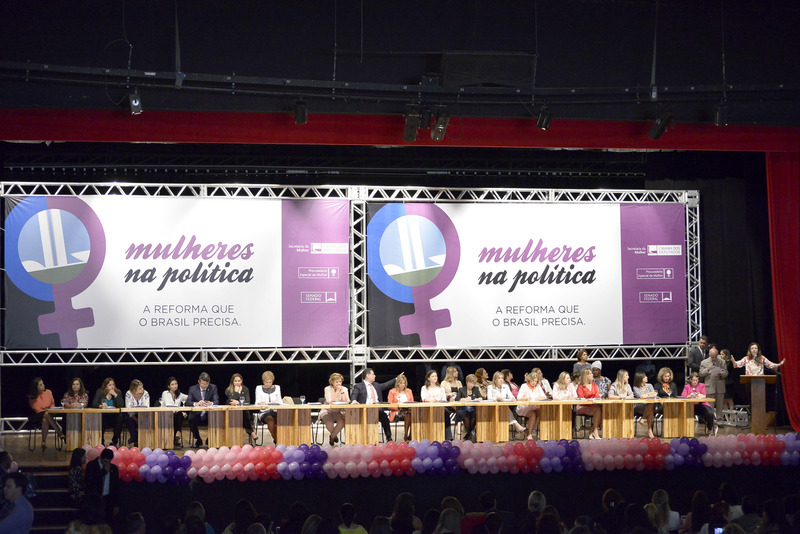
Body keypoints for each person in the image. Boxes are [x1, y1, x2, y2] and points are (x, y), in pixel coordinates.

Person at [351, 368, 403, 443]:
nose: (375, 376)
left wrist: (396, 379)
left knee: (384, 417)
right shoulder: (358, 386)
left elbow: (386, 385)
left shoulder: (376, 385)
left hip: (377, 410)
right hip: (365, 410)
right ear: (367, 376)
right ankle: (367, 439)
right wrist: (354, 401)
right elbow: (354, 395)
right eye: (373, 374)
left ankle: (389, 438)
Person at [27, 377, 64, 450]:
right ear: (36, 387)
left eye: (43, 383)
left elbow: (52, 404)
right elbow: (37, 409)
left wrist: (49, 409)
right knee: (46, 415)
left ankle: (43, 441)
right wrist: (46, 409)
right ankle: (59, 432)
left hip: (48, 413)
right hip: (36, 416)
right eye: (40, 385)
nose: (43, 385)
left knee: (45, 419)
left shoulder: (48, 392)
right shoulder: (32, 396)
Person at [85, 448, 120, 523]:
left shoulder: (114, 468)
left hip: (108, 499)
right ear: (101, 458)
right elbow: (90, 482)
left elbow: (116, 487)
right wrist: (103, 472)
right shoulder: (92, 465)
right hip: (95, 499)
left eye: (109, 461)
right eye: (105, 461)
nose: (107, 463)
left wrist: (116, 505)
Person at [187, 372, 220, 448]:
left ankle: (210, 439)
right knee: (191, 419)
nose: (205, 386)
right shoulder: (193, 388)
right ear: (199, 382)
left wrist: (210, 403)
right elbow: (188, 402)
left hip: (208, 414)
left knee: (217, 419)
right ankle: (198, 439)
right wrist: (196, 403)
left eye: (206, 384)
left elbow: (216, 400)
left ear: (209, 382)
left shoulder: (213, 387)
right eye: (203, 384)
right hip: (197, 414)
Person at [91, 377, 125, 447]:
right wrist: (100, 406)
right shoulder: (100, 392)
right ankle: (101, 441)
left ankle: (114, 441)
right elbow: (94, 403)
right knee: (100, 418)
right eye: (110, 385)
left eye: (113, 384)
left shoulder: (118, 392)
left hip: (114, 416)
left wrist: (115, 395)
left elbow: (121, 405)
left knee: (120, 417)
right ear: (105, 386)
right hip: (104, 416)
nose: (112, 386)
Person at [420, 370, 452, 440]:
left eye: (436, 376)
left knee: (446, 412)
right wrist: (430, 400)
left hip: (439, 407)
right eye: (433, 376)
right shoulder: (424, 388)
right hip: (428, 408)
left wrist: (438, 401)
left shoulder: (441, 388)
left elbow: (444, 399)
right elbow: (423, 399)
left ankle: (448, 437)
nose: (435, 377)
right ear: (428, 378)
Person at [225, 373, 257, 443]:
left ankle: (250, 432)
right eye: (235, 381)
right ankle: (251, 432)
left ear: (241, 381)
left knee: (244, 413)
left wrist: (238, 403)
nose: (237, 383)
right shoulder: (229, 390)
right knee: (243, 414)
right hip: (232, 412)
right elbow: (231, 400)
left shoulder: (245, 389)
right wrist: (237, 392)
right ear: (232, 382)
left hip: (242, 412)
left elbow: (247, 401)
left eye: (238, 381)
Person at [320, 372, 350, 446]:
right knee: (329, 423)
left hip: (338, 411)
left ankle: (332, 436)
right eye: (336, 382)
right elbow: (330, 401)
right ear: (332, 382)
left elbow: (347, 401)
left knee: (342, 422)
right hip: (327, 410)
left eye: (340, 381)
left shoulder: (344, 389)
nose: (339, 383)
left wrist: (342, 392)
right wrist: (337, 391)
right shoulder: (327, 389)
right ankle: (334, 436)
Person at [516, 370, 548, 440]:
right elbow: (518, 397)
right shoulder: (524, 386)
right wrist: (526, 398)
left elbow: (544, 397)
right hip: (524, 407)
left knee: (542, 414)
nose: (534, 383)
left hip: (534, 406)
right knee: (533, 415)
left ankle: (528, 431)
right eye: (533, 381)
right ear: (529, 379)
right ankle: (529, 434)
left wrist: (539, 397)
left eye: (536, 381)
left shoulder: (538, 386)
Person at [699, 347, 728, 422]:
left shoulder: (722, 362)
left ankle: (719, 421)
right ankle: (710, 421)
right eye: (712, 357)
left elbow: (726, 372)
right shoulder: (704, 362)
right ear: (709, 355)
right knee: (710, 406)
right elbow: (701, 373)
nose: (714, 359)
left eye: (715, 357)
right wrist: (707, 369)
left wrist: (721, 374)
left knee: (720, 406)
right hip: (710, 387)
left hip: (720, 386)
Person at [255, 370, 284, 445]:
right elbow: (257, 402)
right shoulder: (258, 388)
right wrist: (260, 403)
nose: (268, 384)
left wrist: (277, 401)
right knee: (271, 422)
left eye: (270, 382)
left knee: (281, 422)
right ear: (263, 381)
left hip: (275, 411)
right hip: (265, 412)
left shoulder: (277, 388)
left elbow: (281, 401)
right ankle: (278, 441)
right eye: (266, 382)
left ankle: (280, 440)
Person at [161, 377, 188, 448]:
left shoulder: (179, 394)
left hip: (176, 415)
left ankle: (177, 435)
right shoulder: (165, 393)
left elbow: (188, 397)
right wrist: (180, 412)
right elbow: (168, 405)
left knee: (178, 415)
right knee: (179, 414)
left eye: (176, 384)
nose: (175, 386)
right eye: (172, 384)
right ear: (168, 386)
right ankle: (176, 435)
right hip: (166, 415)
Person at [575, 368, 603, 439]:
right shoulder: (581, 386)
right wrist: (589, 401)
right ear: (586, 376)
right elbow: (581, 398)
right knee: (598, 410)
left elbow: (597, 396)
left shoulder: (594, 385)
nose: (592, 375)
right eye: (590, 374)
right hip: (582, 407)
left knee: (602, 410)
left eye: (591, 373)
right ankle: (595, 432)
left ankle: (592, 431)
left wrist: (593, 400)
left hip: (593, 406)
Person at [455, 374, 482, 440]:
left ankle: (468, 434)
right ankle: (470, 433)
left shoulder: (476, 389)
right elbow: (457, 399)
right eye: (471, 383)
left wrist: (479, 398)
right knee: (465, 413)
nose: (472, 385)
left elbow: (481, 397)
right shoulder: (461, 389)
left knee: (475, 414)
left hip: (473, 409)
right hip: (463, 409)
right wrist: (463, 399)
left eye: (473, 383)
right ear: (467, 382)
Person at [387, 375, 414, 442]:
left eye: (404, 383)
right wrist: (398, 407)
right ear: (397, 383)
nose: (402, 385)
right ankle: (406, 436)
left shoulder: (409, 391)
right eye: (401, 383)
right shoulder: (392, 391)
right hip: (397, 411)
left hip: (408, 410)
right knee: (409, 415)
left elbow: (413, 403)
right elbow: (389, 405)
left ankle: (411, 435)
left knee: (413, 415)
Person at [124, 379, 150, 447]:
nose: (142, 389)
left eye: (142, 387)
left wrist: (140, 418)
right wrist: (135, 419)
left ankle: (140, 440)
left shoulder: (146, 393)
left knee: (146, 420)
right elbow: (128, 408)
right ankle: (135, 438)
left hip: (143, 414)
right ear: (134, 390)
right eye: (140, 388)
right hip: (132, 414)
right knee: (129, 419)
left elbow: (147, 407)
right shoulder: (128, 393)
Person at [633, 372, 657, 439]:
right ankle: (649, 431)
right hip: (639, 406)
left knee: (651, 405)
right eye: (645, 377)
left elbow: (654, 394)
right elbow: (641, 396)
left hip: (649, 405)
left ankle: (643, 419)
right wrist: (649, 394)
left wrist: (647, 395)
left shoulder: (649, 385)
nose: (647, 377)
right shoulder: (635, 387)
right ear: (640, 378)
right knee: (651, 408)